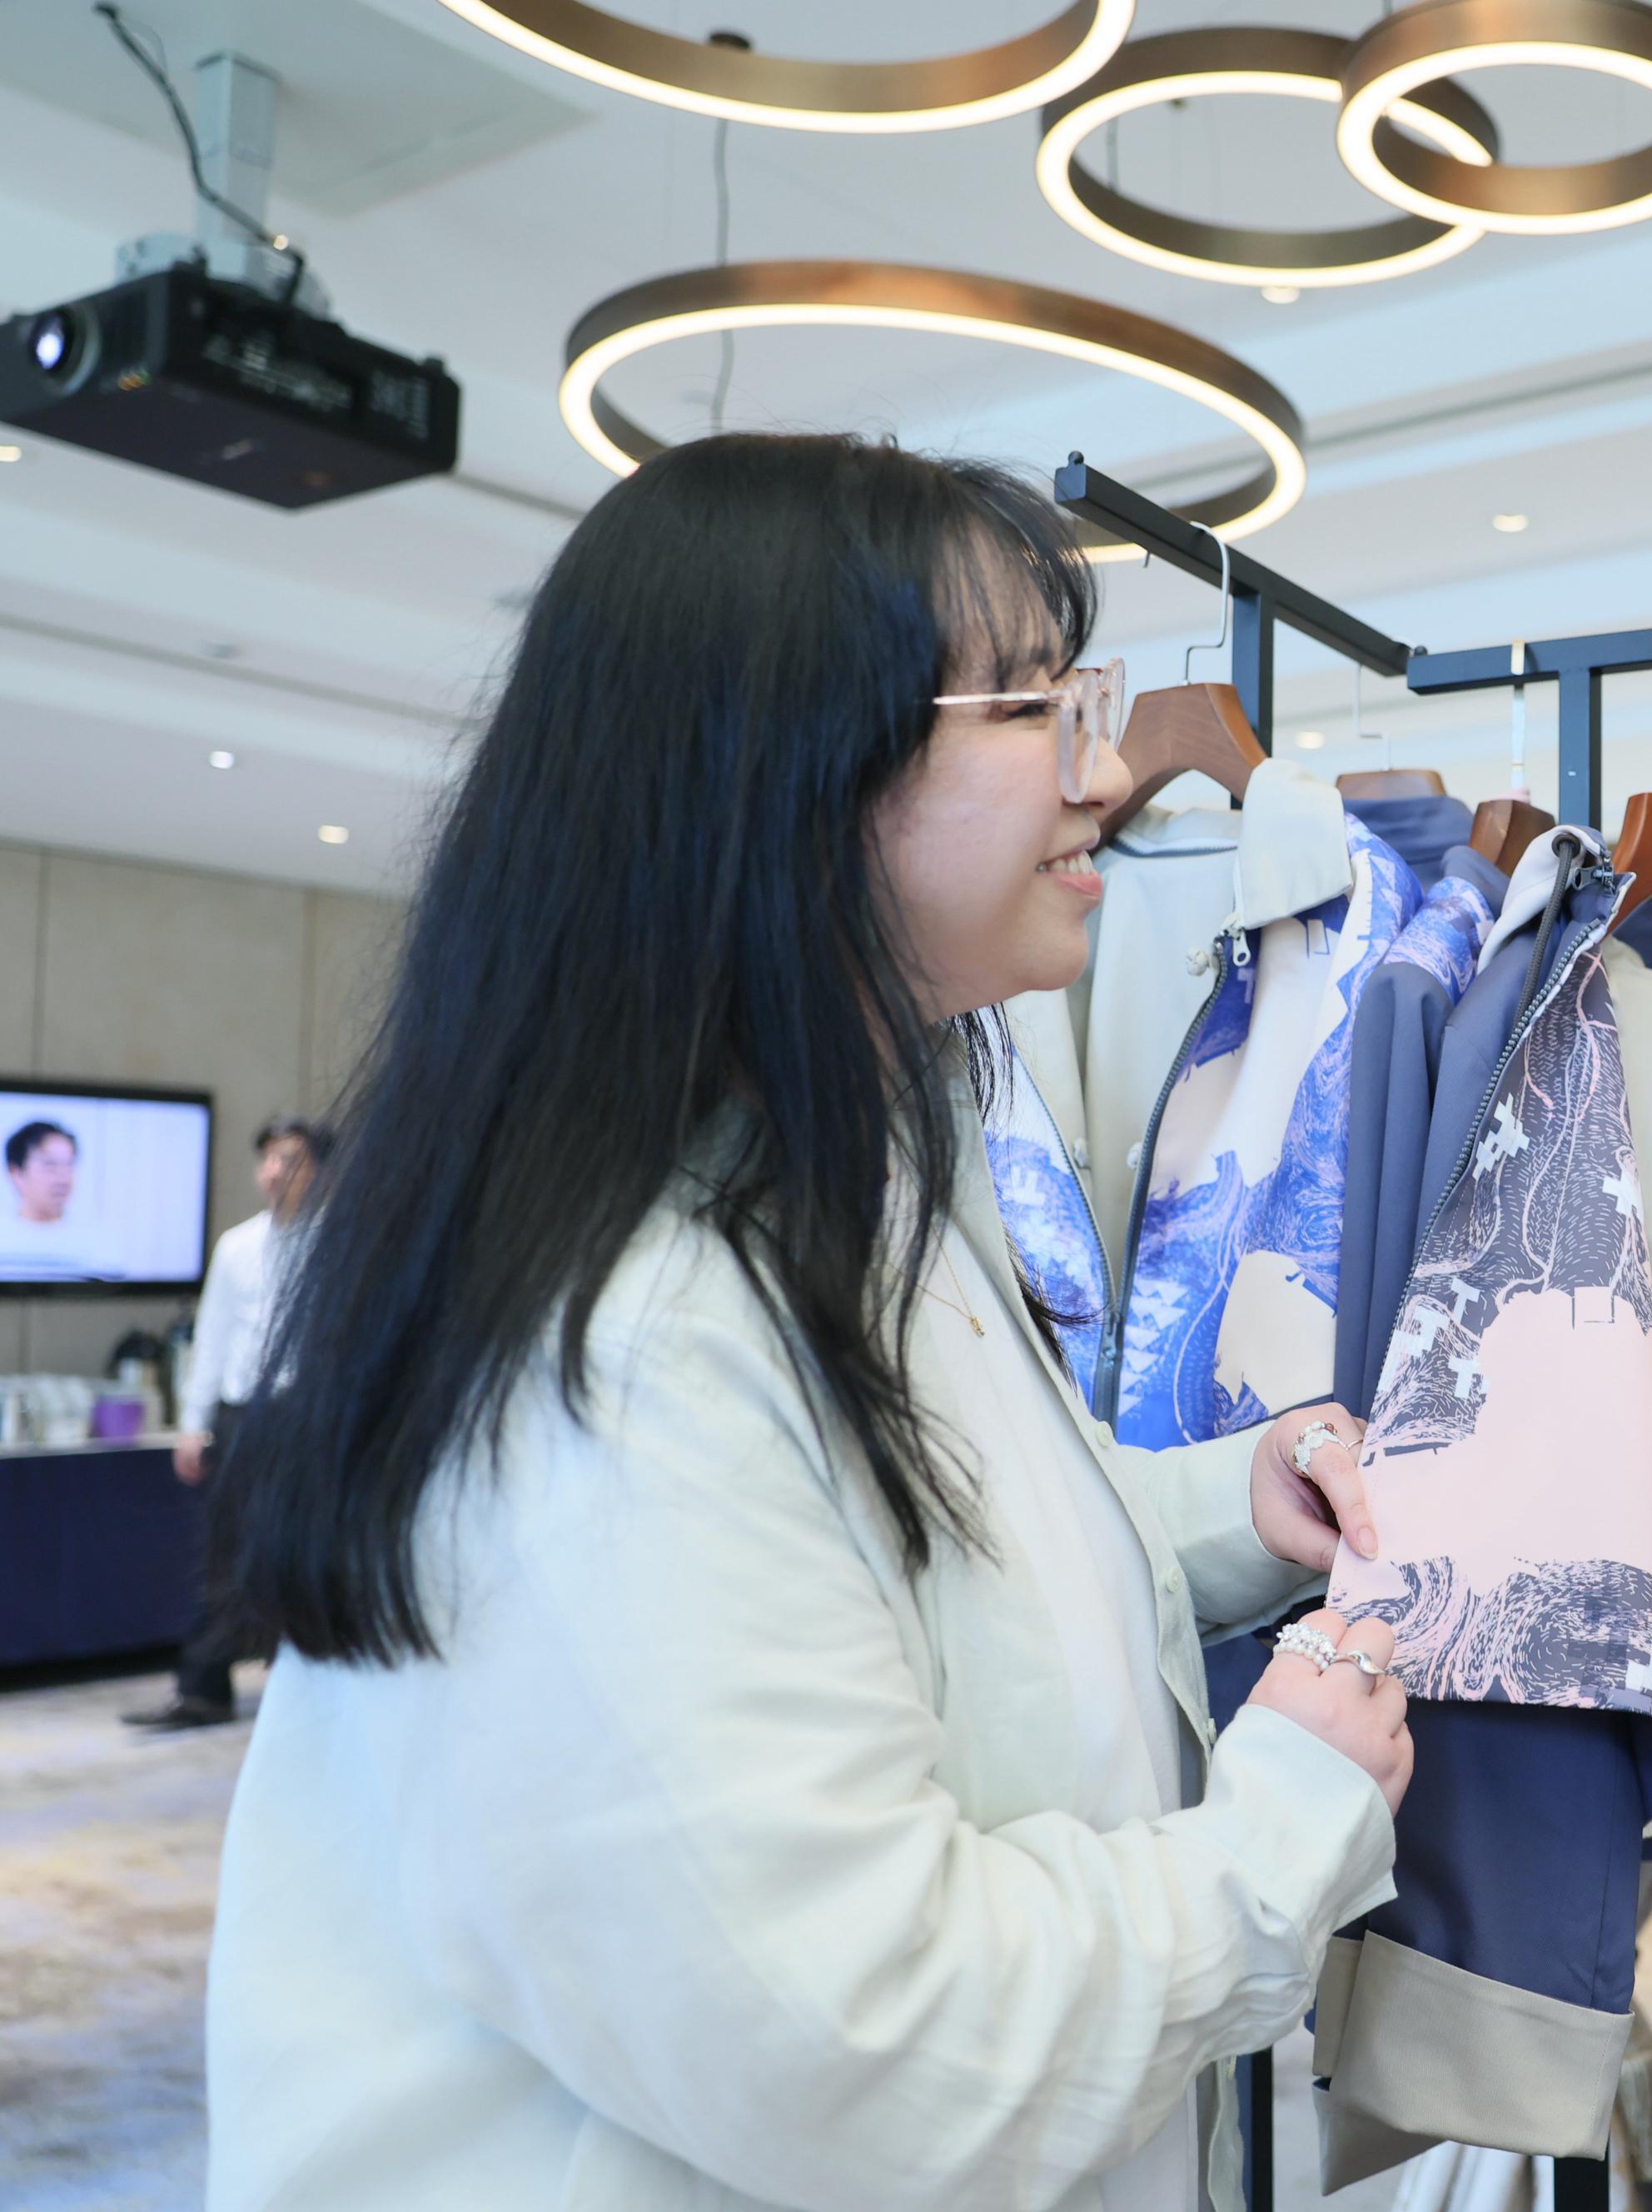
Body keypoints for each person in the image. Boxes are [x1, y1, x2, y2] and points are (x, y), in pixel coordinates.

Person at [203, 436, 1411, 2212]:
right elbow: (870, 2040)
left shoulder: (871, 1188)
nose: (1106, 780)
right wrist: (1283, 1823)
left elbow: (929, 1574)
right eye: (1031, 708)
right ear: (787, 768)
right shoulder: (618, 1344)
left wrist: (1238, 1504)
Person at [122, 1113, 332, 1731]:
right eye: (267, 1158)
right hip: (243, 1416)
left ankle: (314, 1691)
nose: (274, 1172)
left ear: (320, 1170)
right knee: (225, 1552)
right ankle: (204, 1690)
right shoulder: (238, 1246)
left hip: (310, 1416)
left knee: (309, 1552)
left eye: (291, 1159)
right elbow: (211, 1340)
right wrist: (193, 1423)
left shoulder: (344, 1239)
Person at [0, 1116, 112, 1279]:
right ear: (16, 1173)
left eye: (69, 1165)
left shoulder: (96, 1243)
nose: (63, 1179)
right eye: (50, 1165)